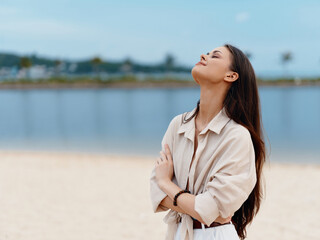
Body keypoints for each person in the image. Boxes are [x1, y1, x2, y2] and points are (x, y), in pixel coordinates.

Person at [149, 43, 266, 240]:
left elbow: (208, 208)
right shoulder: (178, 125)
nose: (203, 55)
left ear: (231, 75)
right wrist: (196, 205)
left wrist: (166, 183)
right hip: (177, 233)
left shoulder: (236, 136)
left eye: (215, 56)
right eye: (207, 53)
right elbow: (155, 194)